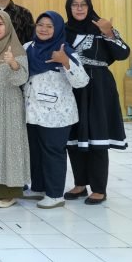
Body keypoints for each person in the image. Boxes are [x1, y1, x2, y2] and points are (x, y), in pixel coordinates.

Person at [64, 0, 131, 205]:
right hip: (72, 87)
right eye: (75, 4)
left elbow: (123, 53)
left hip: (99, 88)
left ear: (89, 6)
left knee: (97, 135)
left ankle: (99, 188)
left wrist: (108, 33)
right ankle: (80, 184)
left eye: (83, 4)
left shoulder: (101, 27)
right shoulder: (63, 31)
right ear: (69, 8)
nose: (79, 8)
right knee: (74, 136)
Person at [24, 11, 88, 209]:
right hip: (31, 111)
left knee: (52, 152)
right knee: (35, 152)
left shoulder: (65, 50)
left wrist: (65, 61)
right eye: (40, 25)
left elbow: (81, 81)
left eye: (49, 26)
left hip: (57, 113)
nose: (43, 29)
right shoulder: (28, 47)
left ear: (58, 29)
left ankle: (55, 194)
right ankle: (39, 188)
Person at [0, 10, 30, 208]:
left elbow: (22, 79)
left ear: (8, 26)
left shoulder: (16, 49)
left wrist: (13, 64)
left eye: (0, 24)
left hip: (9, 105)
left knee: (9, 146)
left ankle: (10, 192)